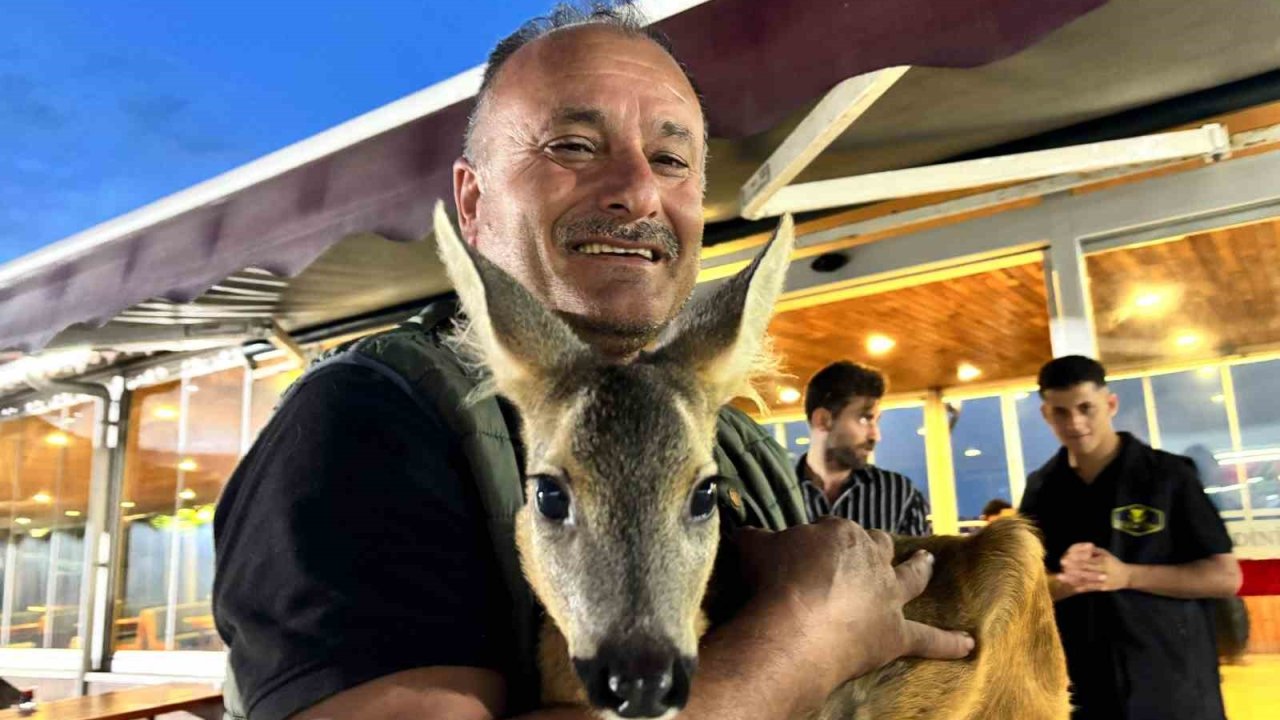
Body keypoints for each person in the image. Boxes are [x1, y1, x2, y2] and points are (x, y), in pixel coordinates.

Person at [212, 5, 973, 720]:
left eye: (672, 159)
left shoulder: (731, 440)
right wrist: (804, 646)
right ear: (472, 204)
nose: (639, 190)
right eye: (574, 146)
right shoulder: (371, 419)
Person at [1018, 355, 1243, 720]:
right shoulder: (1042, 489)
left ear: (1110, 405)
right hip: (1079, 689)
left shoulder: (1170, 477)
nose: (1075, 423)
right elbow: (1027, 588)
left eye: (1086, 408)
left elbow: (1225, 577)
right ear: (1046, 415)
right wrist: (1066, 582)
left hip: (1172, 685)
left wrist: (1128, 575)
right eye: (1061, 412)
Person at [797, 361, 931, 535]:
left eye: (877, 421)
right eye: (865, 419)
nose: (875, 435)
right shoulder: (775, 493)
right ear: (822, 420)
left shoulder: (900, 494)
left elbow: (921, 561)